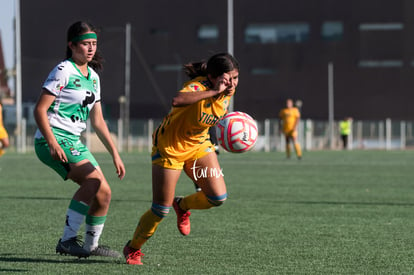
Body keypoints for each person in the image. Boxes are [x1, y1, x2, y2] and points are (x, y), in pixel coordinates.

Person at [123, 53, 239, 265]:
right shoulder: (198, 87)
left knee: (217, 197)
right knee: (160, 209)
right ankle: (133, 248)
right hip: (170, 148)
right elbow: (177, 100)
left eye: (235, 78)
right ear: (212, 78)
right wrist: (213, 91)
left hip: (198, 146)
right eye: (226, 79)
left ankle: (183, 206)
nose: (231, 84)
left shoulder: (227, 89)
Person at [33, 21, 125, 258]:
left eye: (94, 43)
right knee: (93, 182)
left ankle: (90, 247)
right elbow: (39, 110)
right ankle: (67, 240)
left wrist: (114, 153)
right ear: (72, 45)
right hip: (51, 139)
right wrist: (52, 142)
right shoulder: (63, 70)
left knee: (104, 193)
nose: (91, 48)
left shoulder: (93, 77)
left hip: (73, 141)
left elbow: (99, 121)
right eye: (86, 44)